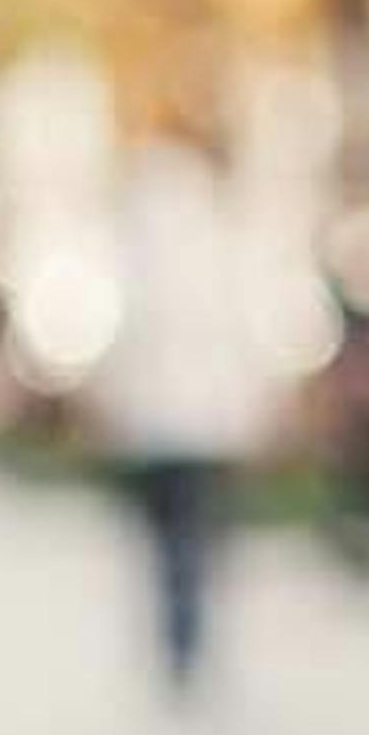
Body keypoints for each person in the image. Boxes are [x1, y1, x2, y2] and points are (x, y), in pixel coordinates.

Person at [86, 107, 279, 694]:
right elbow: (251, 323)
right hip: (208, 418)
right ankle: (190, 634)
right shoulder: (220, 229)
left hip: (156, 421)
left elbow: (112, 327)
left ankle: (180, 636)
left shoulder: (134, 236)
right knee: (196, 532)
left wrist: (108, 401)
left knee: (167, 537)